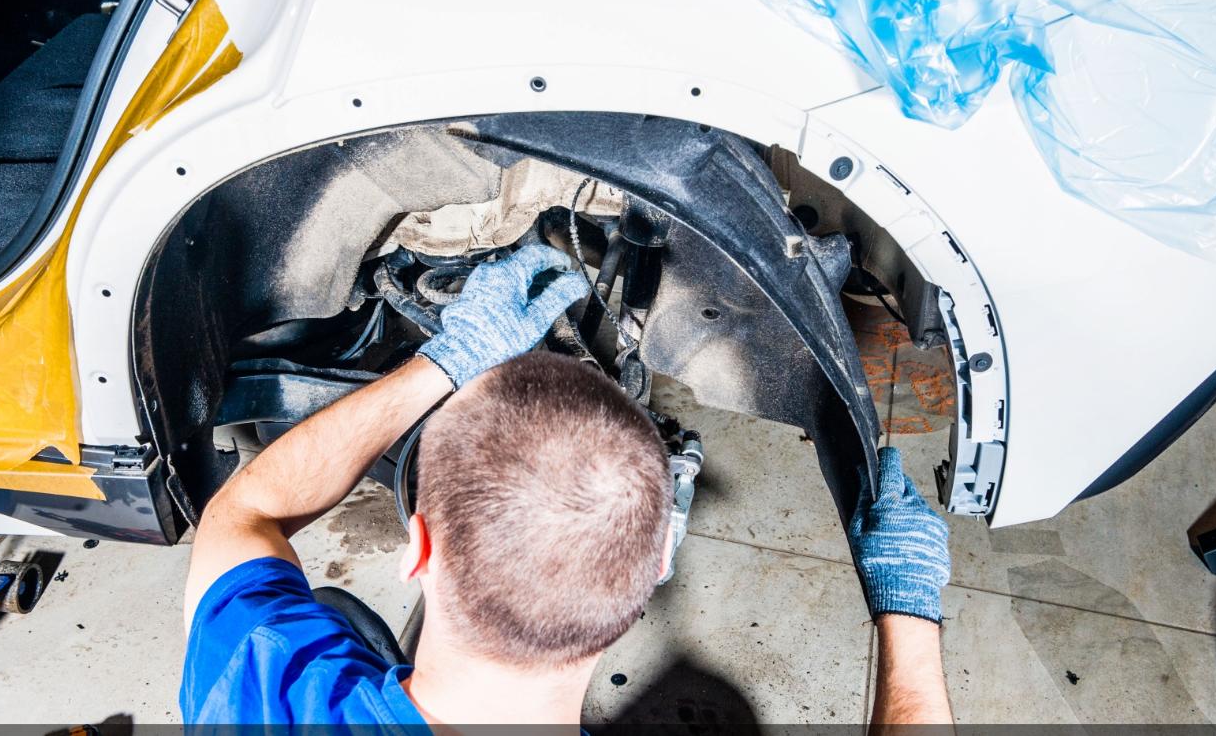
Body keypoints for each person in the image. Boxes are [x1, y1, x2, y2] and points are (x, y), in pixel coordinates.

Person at [180, 245, 954, 729]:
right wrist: (908, 608)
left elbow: (245, 512)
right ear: (658, 566)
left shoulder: (264, 682)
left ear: (417, 547)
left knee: (328, 614)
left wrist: (441, 364)